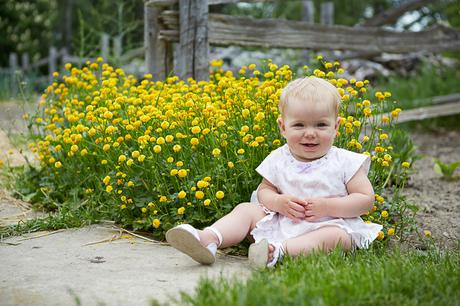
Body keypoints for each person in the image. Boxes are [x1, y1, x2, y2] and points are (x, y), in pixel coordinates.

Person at [166, 76, 382, 268]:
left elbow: (365, 200)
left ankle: (278, 251)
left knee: (337, 238)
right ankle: (209, 238)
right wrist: (278, 202)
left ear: (336, 126)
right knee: (246, 209)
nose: (310, 133)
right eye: (299, 125)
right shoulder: (279, 157)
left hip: (326, 224)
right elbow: (264, 191)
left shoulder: (345, 161)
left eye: (321, 125)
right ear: (283, 127)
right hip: (281, 221)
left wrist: (328, 206)